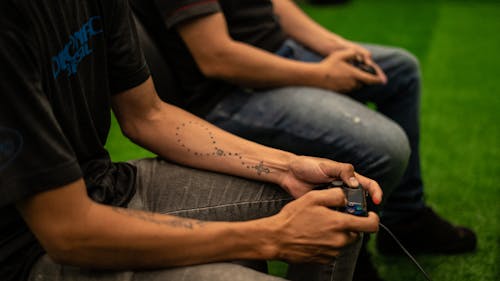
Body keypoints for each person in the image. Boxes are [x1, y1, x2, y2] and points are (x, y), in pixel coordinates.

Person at [0, 1, 385, 281]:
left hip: (106, 185)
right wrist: (269, 238)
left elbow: (148, 115)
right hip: (30, 251)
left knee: (337, 202)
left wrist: (287, 166)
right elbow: (68, 231)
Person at [129, 0, 477, 280]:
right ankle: (356, 258)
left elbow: (275, 5)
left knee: (400, 70)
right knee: (388, 147)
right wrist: (323, 76)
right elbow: (217, 58)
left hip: (280, 50)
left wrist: (337, 47)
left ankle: (406, 217)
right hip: (228, 93)